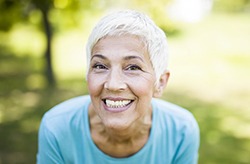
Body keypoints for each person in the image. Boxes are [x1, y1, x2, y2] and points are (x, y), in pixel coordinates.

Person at [37, 10, 200, 164]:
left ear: (160, 83)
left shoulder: (181, 131)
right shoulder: (56, 128)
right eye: (100, 66)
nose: (113, 84)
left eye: (133, 68)